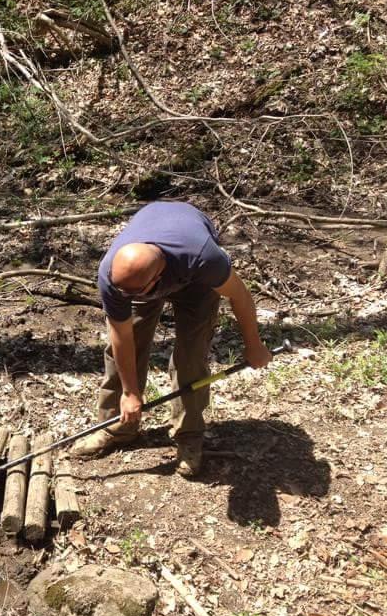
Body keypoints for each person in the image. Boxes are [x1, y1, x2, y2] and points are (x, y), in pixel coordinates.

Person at [71, 201, 272, 476]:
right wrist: (130, 392)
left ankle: (189, 435)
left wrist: (254, 345)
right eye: (124, 292)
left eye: (136, 293)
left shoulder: (204, 259)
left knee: (191, 354)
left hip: (195, 282)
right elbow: (121, 335)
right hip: (148, 270)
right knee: (123, 350)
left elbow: (240, 295)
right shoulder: (114, 276)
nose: (127, 298)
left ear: (159, 276)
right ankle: (118, 426)